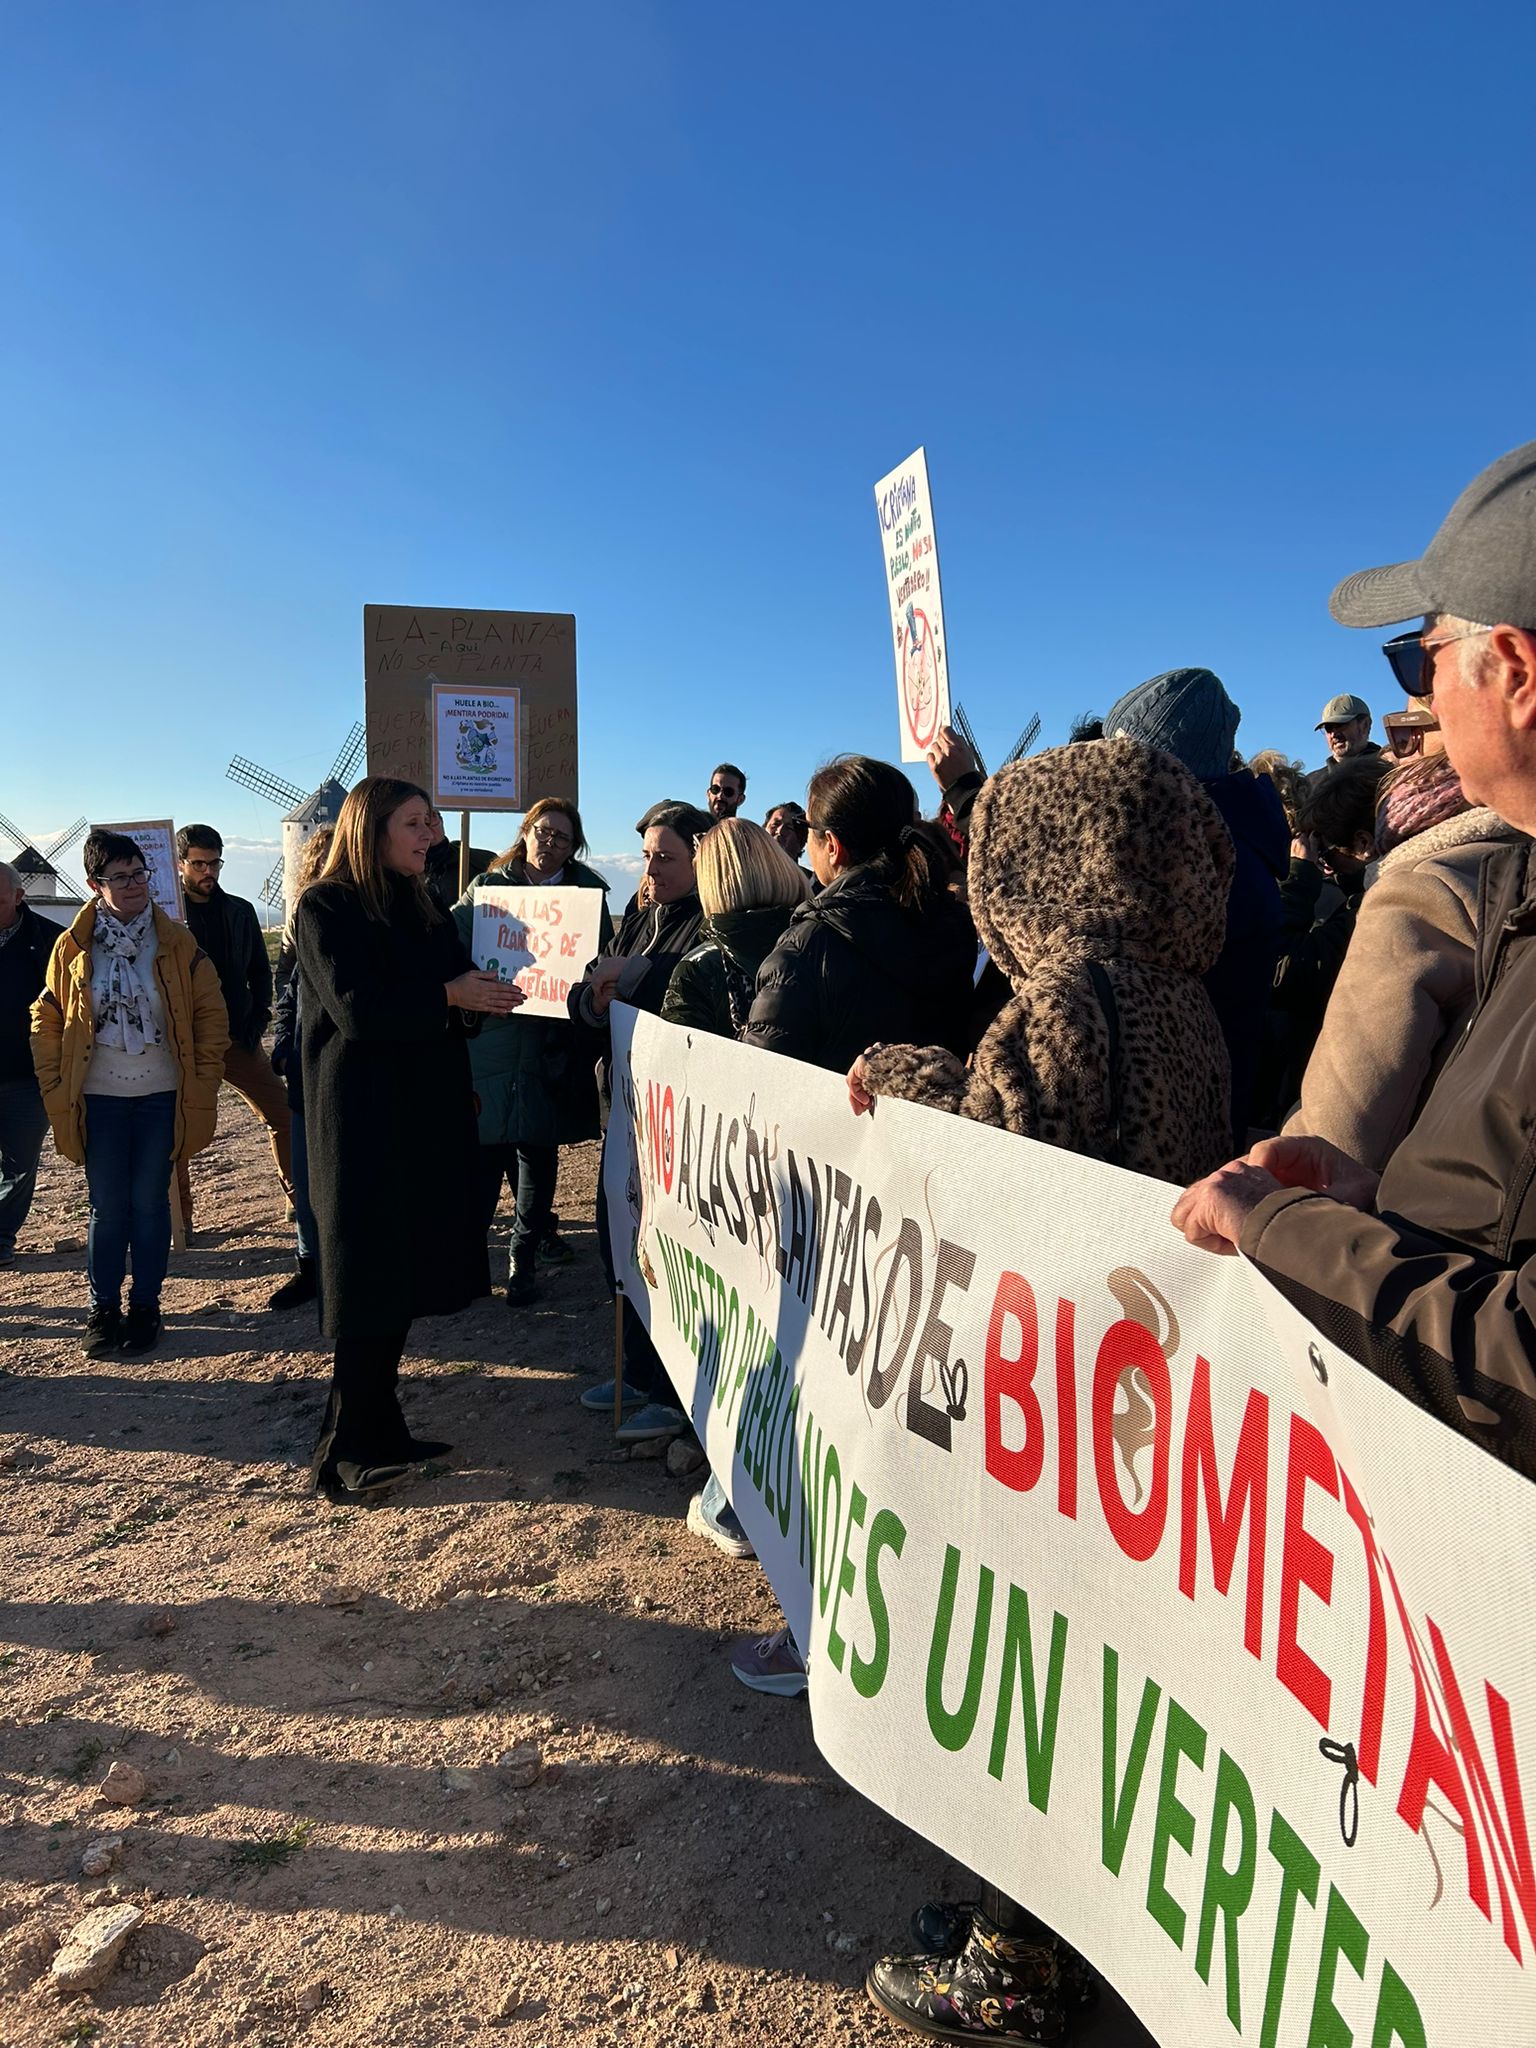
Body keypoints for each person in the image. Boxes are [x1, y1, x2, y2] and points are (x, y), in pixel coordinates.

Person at [847, 737, 1233, 2045]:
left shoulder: (1074, 991)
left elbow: (994, 1164)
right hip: (1134, 1387)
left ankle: (1019, 1952)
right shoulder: (1183, 988)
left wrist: (900, 1081)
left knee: (1042, 1675)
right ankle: (1021, 1920)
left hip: (1060, 1393)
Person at [1172, 437, 1536, 1479]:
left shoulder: (1435, 886)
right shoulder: (1517, 893)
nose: (1411, 708)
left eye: (1417, 658)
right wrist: (1375, 1200)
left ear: (1509, 670)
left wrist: (1283, 1226)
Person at [293, 777, 524, 1500]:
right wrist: (450, 997)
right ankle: (342, 1451)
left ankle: (382, 1426)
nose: (430, 835)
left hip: (423, 1113)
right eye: (415, 823)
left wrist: (483, 996)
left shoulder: (420, 902)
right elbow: (359, 1011)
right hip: (360, 1117)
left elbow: (450, 992)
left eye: (431, 822)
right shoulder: (324, 906)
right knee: (366, 1278)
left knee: (399, 1271)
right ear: (372, 830)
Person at [661, 818, 810, 1561]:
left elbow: (679, 1083)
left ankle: (732, 1500)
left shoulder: (701, 967)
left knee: (746, 1335)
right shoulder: (822, 941)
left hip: (737, 1183)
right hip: (825, 1177)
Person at [31, 831, 229, 1357]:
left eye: (140, 873)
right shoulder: (73, 946)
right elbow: (47, 1016)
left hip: (161, 1094)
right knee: (106, 1206)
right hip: (98, 1097)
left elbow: (211, 1015)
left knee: (148, 1204)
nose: (135, 884)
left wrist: (204, 1080)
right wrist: (54, 1080)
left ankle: (145, 1306)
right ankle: (103, 1310)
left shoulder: (177, 942)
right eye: (120, 877)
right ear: (96, 886)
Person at [1285, 751, 1521, 1170]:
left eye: (1329, 857)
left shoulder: (1413, 894)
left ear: (1363, 844)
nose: (1328, 870)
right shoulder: (1512, 854)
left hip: (1419, 1191)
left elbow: (1337, 1134)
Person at [569, 802, 712, 1445]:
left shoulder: (709, 921)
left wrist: (637, 978)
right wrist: (594, 999)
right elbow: (587, 989)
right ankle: (635, 1369)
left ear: (700, 858)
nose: (651, 870)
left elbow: (695, 1002)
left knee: (664, 1251)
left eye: (666, 857)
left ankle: (670, 1391)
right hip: (622, 1109)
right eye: (647, 856)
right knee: (615, 1239)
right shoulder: (638, 917)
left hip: (675, 1122)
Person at [1102, 667, 1289, 1143]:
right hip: (1192, 1113)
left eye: (1124, 759)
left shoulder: (1201, 862)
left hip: (1175, 1128)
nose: (1104, 776)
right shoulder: (1228, 840)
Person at [451, 798, 611, 1308]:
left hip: (549, 1042)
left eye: (562, 838)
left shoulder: (587, 893)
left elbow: (598, 959)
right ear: (526, 832)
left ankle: (523, 1258)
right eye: (543, 831)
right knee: (482, 1151)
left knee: (538, 1153)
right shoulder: (488, 889)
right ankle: (470, 1264)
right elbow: (453, 940)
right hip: (493, 1038)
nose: (550, 843)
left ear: (574, 846)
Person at [744, 756, 977, 1077]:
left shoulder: (807, 944)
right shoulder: (954, 925)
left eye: (807, 827)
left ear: (833, 846)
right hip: (928, 1123)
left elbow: (758, 1081)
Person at [1251, 753, 1392, 1127]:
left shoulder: (1383, 904)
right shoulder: (1381, 888)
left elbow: (1279, 969)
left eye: (1328, 852)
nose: (1324, 863)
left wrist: (1298, 878)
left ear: (1364, 843)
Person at [174, 824, 293, 1235]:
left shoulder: (240, 911)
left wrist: (258, 1016)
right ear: (180, 864)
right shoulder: (167, 916)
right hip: (184, 1041)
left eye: (214, 863)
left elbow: (262, 970)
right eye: (199, 864)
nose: (208, 871)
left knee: (284, 1113)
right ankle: (181, 1220)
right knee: (176, 1131)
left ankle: (299, 1200)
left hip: (236, 1037)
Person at [267, 826, 333, 1311]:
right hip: (305, 1067)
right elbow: (289, 990)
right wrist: (285, 1045)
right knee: (306, 1178)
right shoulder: (302, 918)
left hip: (343, 1066)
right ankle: (310, 1266)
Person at [0, 861, 61, 1267]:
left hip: (26, 1076)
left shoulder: (50, 940)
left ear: (19, 897)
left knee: (19, 1167)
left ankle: (1, 1236)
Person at [423, 806, 495, 918]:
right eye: (414, 822)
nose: (427, 826)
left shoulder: (483, 862)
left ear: (441, 821)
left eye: (431, 817)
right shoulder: (396, 869)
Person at [1307, 692, 1382, 787]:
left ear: (1365, 725)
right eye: (1328, 728)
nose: (1334, 734)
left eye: (1340, 725)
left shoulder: (1389, 772)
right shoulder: (1311, 784)